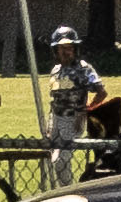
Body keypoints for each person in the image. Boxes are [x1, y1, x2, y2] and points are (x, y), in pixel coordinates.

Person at [41, 23, 108, 188]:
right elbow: (54, 99)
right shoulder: (56, 70)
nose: (65, 52)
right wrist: (50, 126)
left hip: (73, 119)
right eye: (61, 48)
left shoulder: (84, 69)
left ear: (75, 49)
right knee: (49, 157)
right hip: (55, 119)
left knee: (61, 160)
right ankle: (51, 192)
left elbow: (101, 92)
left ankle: (67, 191)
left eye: (69, 47)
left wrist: (86, 111)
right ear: (55, 51)